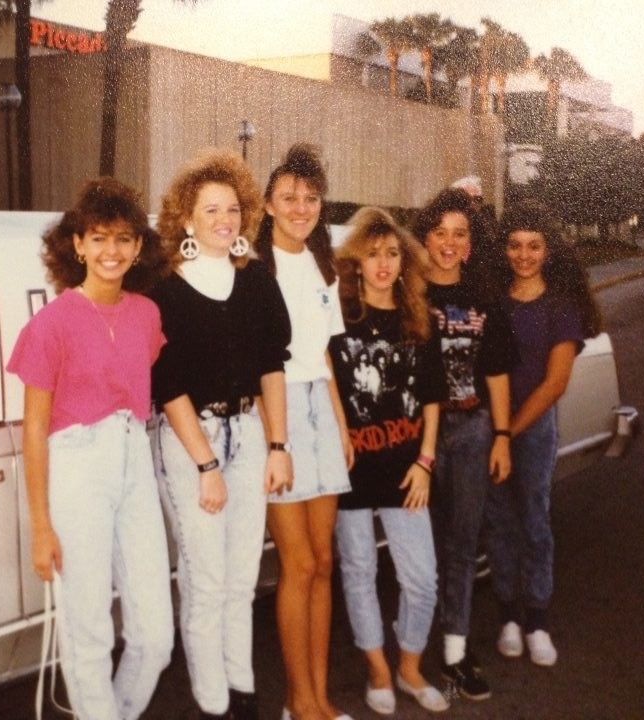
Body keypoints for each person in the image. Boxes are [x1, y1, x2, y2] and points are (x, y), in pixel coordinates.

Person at [7, 177, 173, 720]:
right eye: (99, 238)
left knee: (155, 634)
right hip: (77, 466)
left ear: (138, 247)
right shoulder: (50, 325)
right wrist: (42, 525)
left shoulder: (147, 316)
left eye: (124, 238)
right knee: (90, 631)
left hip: (134, 458)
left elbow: (138, 384)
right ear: (76, 244)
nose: (112, 251)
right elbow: (34, 429)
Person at [149, 148, 292, 720]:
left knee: (241, 580)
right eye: (211, 210)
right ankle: (212, 705)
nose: (224, 220)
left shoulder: (255, 279)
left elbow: (271, 365)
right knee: (206, 583)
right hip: (193, 444)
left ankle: (243, 693)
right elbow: (168, 384)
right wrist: (207, 466)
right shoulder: (165, 290)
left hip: (250, 433)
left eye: (232, 208)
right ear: (186, 218)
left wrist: (278, 447)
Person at [327, 206, 450, 716]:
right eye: (373, 253)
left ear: (405, 261)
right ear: (356, 260)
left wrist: (425, 461)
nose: (383, 264)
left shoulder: (418, 319)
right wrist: (338, 430)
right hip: (353, 469)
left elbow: (433, 398)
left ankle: (410, 666)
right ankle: (378, 669)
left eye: (393, 254)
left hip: (407, 470)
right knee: (358, 573)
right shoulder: (338, 315)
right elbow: (324, 374)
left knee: (421, 579)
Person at [254, 144, 354, 720]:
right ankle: (298, 701)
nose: (300, 207)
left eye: (310, 198)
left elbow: (325, 355)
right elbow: (258, 364)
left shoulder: (324, 265)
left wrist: (341, 426)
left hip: (321, 405)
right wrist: (277, 440)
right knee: (296, 564)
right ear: (268, 204)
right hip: (279, 410)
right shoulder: (253, 265)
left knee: (323, 560)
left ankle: (317, 698)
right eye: (288, 197)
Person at [484, 200, 601, 667]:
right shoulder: (493, 300)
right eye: (514, 245)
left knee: (533, 521)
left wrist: (507, 435)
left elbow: (555, 383)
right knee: (499, 523)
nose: (524, 255)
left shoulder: (561, 307)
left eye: (534, 246)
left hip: (529, 431)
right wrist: (493, 431)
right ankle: (508, 616)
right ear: (504, 249)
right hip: (491, 426)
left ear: (548, 250)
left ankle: (536, 621)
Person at [412, 188, 515, 701]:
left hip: (472, 432)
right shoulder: (408, 295)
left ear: (470, 243)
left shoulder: (483, 299)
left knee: (460, 546)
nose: (449, 243)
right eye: (440, 233)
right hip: (418, 441)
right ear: (425, 238)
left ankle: (455, 651)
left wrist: (501, 436)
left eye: (460, 234)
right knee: (419, 550)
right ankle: (411, 650)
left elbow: (496, 373)